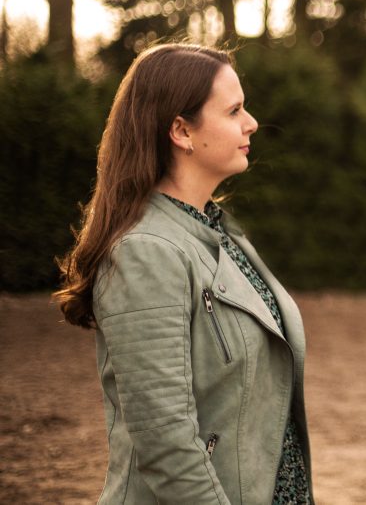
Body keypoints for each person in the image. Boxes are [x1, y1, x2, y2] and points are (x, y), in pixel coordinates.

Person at [54, 44, 313, 504]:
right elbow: (165, 440)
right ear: (180, 130)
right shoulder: (144, 253)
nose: (251, 122)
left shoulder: (217, 233)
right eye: (234, 110)